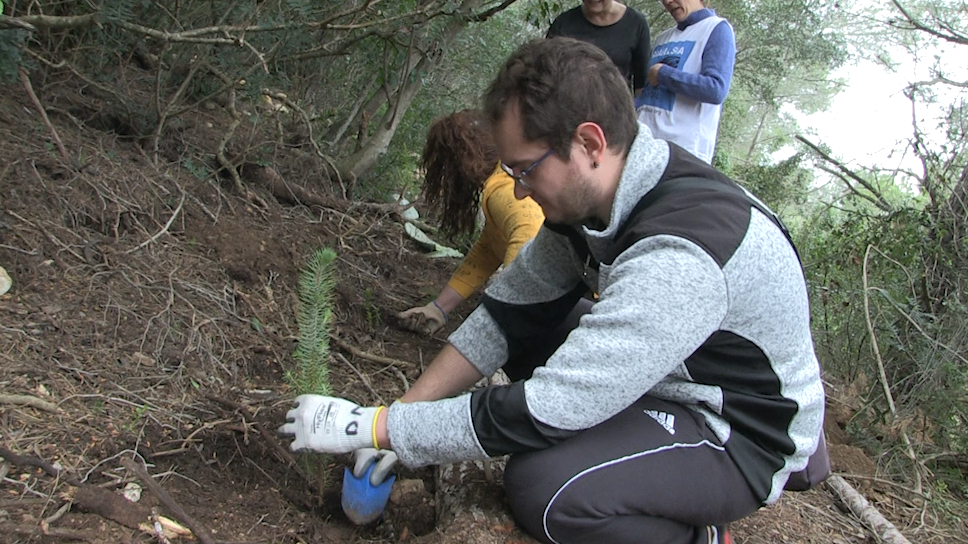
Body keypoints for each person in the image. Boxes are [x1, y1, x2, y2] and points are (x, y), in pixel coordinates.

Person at [280, 37, 825, 544]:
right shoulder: (592, 199)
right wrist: (400, 414)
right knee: (534, 331)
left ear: (589, 142)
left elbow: (551, 407)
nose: (517, 188)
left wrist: (376, 426)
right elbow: (506, 317)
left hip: (737, 429)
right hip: (669, 372)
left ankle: (699, 536)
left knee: (545, 489)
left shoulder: (682, 252)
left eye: (525, 169)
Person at [396, 110, 544, 335]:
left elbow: (529, 235)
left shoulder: (503, 190)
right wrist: (438, 309)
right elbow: (487, 253)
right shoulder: (501, 183)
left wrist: (501, 312)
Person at [635, 0, 736, 164]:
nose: (667, 2)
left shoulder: (717, 29)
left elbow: (716, 89)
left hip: (683, 154)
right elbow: (647, 94)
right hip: (643, 147)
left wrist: (663, 74)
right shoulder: (663, 38)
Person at [547, 0, 650, 97]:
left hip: (616, 109)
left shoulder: (636, 23)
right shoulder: (563, 23)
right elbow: (544, 74)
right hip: (569, 108)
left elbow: (641, 84)